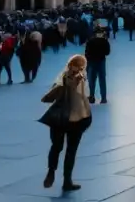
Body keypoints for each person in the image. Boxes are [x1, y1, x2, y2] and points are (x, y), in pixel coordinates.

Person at [43, 54, 92, 192]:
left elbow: (53, 92)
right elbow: (85, 97)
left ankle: (51, 170)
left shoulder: (62, 76)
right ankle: (67, 180)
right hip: (76, 119)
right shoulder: (81, 78)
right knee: (71, 150)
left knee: (56, 146)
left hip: (59, 118)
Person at [84, 26, 111, 105]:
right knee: (102, 80)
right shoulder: (104, 41)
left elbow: (86, 53)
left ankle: (92, 97)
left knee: (92, 80)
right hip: (101, 62)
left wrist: (88, 60)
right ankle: (103, 98)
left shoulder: (90, 41)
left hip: (92, 63)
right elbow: (107, 52)